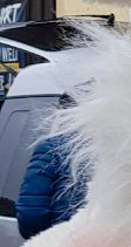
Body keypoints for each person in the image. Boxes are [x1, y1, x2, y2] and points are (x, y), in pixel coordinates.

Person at [17, 100, 87, 238]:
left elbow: (30, 215)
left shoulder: (54, 147)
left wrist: (48, 240)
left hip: (68, 243)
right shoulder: (125, 146)